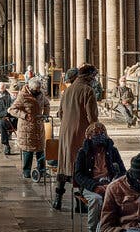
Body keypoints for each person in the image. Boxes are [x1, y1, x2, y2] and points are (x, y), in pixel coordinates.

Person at [54, 64, 99, 210]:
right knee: (81, 166)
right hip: (81, 133)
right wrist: (97, 133)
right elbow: (92, 117)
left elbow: (60, 113)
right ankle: (80, 204)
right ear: (89, 76)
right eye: (94, 76)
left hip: (65, 132)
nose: (95, 80)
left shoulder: (67, 90)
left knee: (64, 166)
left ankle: (57, 200)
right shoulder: (87, 90)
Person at [74, 122, 126, 232]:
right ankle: (92, 229)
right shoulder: (83, 152)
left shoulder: (112, 150)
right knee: (96, 199)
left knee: (125, 199)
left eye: (102, 133)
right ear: (89, 136)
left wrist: (112, 184)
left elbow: (122, 172)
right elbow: (78, 175)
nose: (100, 135)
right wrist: (95, 186)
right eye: (96, 133)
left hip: (111, 184)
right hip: (91, 185)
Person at [8, 77, 51, 178]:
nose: (38, 91)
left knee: (40, 149)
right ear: (30, 88)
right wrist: (25, 115)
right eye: (36, 89)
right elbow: (12, 109)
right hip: (26, 127)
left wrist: (45, 115)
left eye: (39, 89)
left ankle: (42, 170)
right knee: (28, 150)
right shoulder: (22, 95)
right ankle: (26, 171)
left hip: (38, 125)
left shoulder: (41, 94)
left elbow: (46, 104)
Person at [0, 82, 17, 154]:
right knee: (1, 123)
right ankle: (6, 145)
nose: (15, 95)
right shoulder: (3, 99)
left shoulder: (22, 99)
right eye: (13, 93)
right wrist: (7, 111)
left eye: (17, 93)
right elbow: (0, 113)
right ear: (10, 92)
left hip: (20, 120)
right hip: (9, 120)